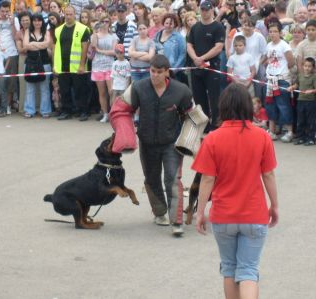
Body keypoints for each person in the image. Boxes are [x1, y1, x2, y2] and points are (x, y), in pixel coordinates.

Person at [193, 83, 278, 299]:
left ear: (223, 107)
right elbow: (268, 174)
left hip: (223, 215)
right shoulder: (262, 137)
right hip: (254, 214)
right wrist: (274, 206)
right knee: (248, 270)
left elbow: (207, 179)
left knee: (229, 268)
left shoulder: (212, 139)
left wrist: (200, 211)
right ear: (248, 106)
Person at [130, 54, 193, 236]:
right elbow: (123, 109)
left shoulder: (181, 91)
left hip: (171, 143)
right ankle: (159, 213)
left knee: (172, 180)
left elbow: (192, 117)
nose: (154, 75)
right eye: (152, 71)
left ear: (167, 72)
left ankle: (177, 221)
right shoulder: (138, 88)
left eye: (159, 72)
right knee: (152, 179)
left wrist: (189, 142)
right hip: (147, 142)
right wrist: (124, 134)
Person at [187, 0, 225, 131]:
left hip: (212, 67)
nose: (204, 12)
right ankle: (204, 125)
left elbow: (218, 47)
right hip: (197, 68)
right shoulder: (195, 27)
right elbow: (189, 45)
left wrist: (202, 58)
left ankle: (216, 125)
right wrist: (195, 58)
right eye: (202, 9)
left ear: (212, 10)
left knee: (214, 98)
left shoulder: (218, 27)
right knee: (199, 98)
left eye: (207, 9)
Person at [53, 5, 91, 121]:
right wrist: (55, 65)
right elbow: (55, 48)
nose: (68, 16)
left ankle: (83, 111)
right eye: (66, 14)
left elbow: (85, 48)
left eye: (71, 14)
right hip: (62, 66)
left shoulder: (83, 29)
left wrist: (81, 65)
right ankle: (66, 110)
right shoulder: (58, 30)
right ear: (63, 14)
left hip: (77, 66)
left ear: (75, 15)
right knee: (64, 90)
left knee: (80, 90)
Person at [263, 18, 295, 142]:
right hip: (270, 79)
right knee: (270, 105)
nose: (272, 34)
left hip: (282, 79)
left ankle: (289, 131)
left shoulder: (284, 45)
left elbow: (291, 61)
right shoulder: (268, 45)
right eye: (270, 32)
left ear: (280, 33)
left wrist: (282, 72)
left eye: (275, 31)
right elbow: (266, 58)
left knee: (284, 106)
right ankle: (272, 130)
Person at [0, 0, 21, 115]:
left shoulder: (15, 19)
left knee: (10, 82)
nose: (4, 13)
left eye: (7, 11)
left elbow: (16, 37)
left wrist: (12, 23)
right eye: (2, 11)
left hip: (11, 53)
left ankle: (7, 105)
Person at [23, 13, 52, 118]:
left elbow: (46, 44)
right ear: (32, 22)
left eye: (39, 20)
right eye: (34, 20)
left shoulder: (46, 32)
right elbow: (25, 46)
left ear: (42, 21)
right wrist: (39, 45)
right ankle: (29, 110)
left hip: (44, 63)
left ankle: (45, 111)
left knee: (44, 88)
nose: (37, 22)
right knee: (30, 88)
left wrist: (33, 44)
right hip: (30, 63)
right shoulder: (27, 31)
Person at [91, 15, 118, 123]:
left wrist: (100, 51)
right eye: (103, 21)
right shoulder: (95, 35)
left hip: (109, 66)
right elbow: (93, 46)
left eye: (107, 21)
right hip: (97, 66)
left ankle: (114, 113)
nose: (105, 23)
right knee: (101, 92)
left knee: (111, 91)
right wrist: (94, 31)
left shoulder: (113, 36)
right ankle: (105, 113)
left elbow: (114, 52)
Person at [288, 57, 316, 146]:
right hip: (300, 101)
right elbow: (297, 84)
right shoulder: (300, 75)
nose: (307, 68)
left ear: (313, 68)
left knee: (310, 121)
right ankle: (300, 137)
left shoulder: (314, 77)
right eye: (305, 66)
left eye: (309, 66)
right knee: (300, 120)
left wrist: (311, 90)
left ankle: (311, 138)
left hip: (311, 102)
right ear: (303, 66)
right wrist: (292, 87)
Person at [154, 13, 187, 84]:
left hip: (173, 71)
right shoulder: (157, 34)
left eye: (171, 23)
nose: (168, 25)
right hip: (159, 69)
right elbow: (153, 50)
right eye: (167, 23)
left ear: (175, 24)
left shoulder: (179, 37)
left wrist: (174, 70)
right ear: (163, 23)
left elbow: (182, 54)